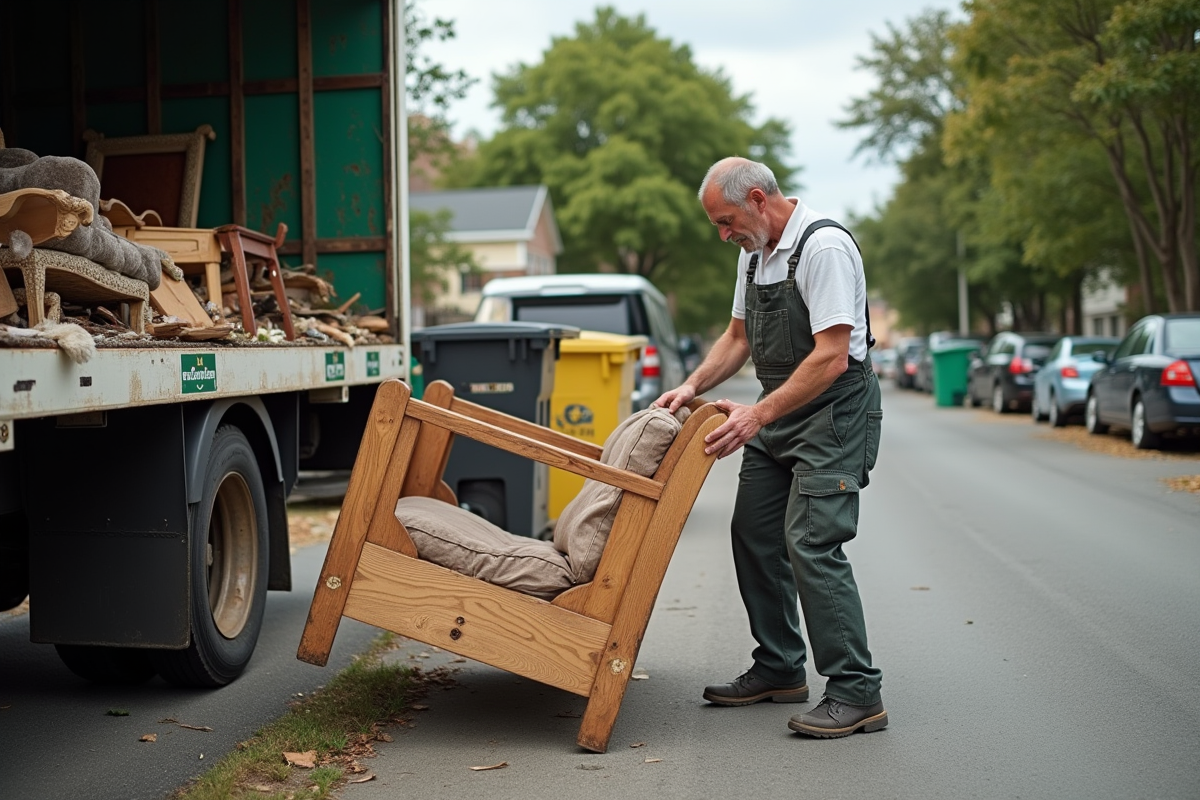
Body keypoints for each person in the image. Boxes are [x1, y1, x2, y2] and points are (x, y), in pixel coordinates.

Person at [653, 156, 886, 738]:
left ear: (758, 199)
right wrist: (691, 385)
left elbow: (833, 355)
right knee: (754, 533)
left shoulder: (823, 248)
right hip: (778, 411)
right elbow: (736, 338)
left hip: (833, 414)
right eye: (718, 225)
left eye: (726, 220)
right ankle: (780, 666)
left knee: (811, 542)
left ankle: (858, 692)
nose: (724, 234)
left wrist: (757, 414)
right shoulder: (753, 256)